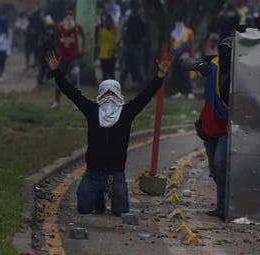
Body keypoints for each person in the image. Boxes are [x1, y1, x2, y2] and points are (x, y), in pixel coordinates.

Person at [45, 50, 172, 216]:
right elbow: (72, 93)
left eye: (113, 92)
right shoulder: (93, 111)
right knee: (84, 208)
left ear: (119, 95)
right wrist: (56, 72)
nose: (110, 96)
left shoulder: (127, 112)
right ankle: (98, 195)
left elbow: (145, 96)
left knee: (121, 212)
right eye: (106, 92)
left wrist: (160, 76)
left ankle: (111, 192)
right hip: (93, 172)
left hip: (116, 173)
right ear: (101, 95)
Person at [193, 37, 233, 221]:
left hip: (228, 126)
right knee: (215, 170)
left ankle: (225, 207)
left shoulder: (240, 69)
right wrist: (200, 65)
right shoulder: (213, 62)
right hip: (209, 125)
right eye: (222, 48)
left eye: (229, 48)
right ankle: (223, 204)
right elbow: (187, 63)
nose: (225, 51)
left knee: (220, 163)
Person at [50, 6, 86, 109]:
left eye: (70, 14)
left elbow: (84, 36)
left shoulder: (77, 27)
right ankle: (56, 102)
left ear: (73, 16)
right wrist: (56, 49)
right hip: (61, 59)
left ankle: (76, 103)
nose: (68, 16)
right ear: (64, 16)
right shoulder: (60, 26)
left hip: (73, 59)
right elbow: (55, 38)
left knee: (75, 81)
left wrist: (83, 49)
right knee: (58, 82)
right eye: (67, 14)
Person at [117, 0, 148, 89]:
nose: (136, 8)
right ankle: (122, 83)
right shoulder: (127, 17)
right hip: (127, 44)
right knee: (124, 65)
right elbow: (121, 29)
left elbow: (145, 31)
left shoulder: (142, 18)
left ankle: (140, 84)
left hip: (138, 45)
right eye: (135, 6)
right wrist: (118, 41)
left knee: (138, 65)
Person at [169, 18, 195, 100]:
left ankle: (190, 92)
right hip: (176, 57)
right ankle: (180, 92)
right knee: (177, 75)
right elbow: (172, 45)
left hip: (185, 56)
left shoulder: (188, 32)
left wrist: (191, 54)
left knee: (185, 75)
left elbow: (190, 44)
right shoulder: (173, 33)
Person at [36, 15, 57, 86]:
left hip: (50, 51)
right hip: (45, 52)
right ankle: (40, 80)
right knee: (43, 67)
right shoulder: (44, 31)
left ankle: (46, 79)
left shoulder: (53, 30)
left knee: (48, 67)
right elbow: (42, 43)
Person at [97, 12, 117, 80]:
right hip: (103, 55)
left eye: (109, 21)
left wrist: (115, 50)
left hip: (112, 55)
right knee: (104, 73)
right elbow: (98, 42)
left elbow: (118, 43)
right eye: (107, 21)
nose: (108, 22)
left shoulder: (115, 31)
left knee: (111, 72)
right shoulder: (102, 31)